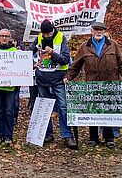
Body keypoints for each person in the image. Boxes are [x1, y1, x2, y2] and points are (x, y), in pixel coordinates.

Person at [65, 21, 122, 148]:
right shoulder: (84, 47)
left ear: (104, 31)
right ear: (92, 31)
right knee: (93, 110)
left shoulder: (113, 45)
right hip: (92, 84)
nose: (98, 32)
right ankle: (93, 137)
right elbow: (75, 66)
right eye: (96, 29)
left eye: (101, 30)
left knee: (108, 111)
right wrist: (68, 77)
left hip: (110, 84)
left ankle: (109, 138)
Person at [30, 19, 77, 149]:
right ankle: (47, 134)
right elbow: (28, 53)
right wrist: (32, 63)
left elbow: (65, 60)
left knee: (63, 107)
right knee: (44, 107)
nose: (45, 36)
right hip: (42, 79)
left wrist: (52, 53)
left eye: (48, 34)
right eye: (44, 34)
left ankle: (67, 136)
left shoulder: (61, 38)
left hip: (58, 79)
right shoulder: (38, 38)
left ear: (52, 30)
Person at [0, 29, 18, 145]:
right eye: (2, 36)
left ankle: (8, 136)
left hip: (10, 87)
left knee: (9, 111)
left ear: (10, 37)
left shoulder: (15, 51)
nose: (4, 38)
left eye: (6, 36)